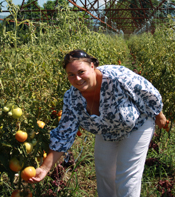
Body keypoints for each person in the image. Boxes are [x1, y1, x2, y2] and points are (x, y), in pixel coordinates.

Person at [29, 49, 167, 197]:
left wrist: (159, 117)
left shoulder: (117, 78)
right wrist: (44, 168)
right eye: (71, 75)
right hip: (106, 131)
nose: (77, 78)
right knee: (104, 174)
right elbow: (64, 135)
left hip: (137, 125)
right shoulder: (72, 98)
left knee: (126, 178)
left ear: (92, 67)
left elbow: (149, 93)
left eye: (81, 72)